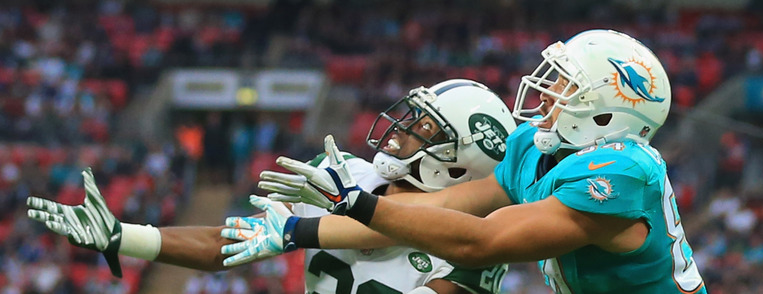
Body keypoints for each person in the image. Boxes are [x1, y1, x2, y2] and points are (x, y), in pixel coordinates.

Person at [257, 29, 708, 294]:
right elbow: (441, 205)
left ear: (607, 113)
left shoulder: (622, 172)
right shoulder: (538, 148)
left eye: (568, 86)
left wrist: (356, 204)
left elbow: (482, 242)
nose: (547, 91)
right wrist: (300, 228)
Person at [27, 79, 516, 294]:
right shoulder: (345, 173)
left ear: (459, 162)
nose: (400, 130)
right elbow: (231, 242)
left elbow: (401, 232)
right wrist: (123, 236)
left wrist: (306, 226)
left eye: (424, 129)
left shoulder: (475, 236)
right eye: (412, 118)